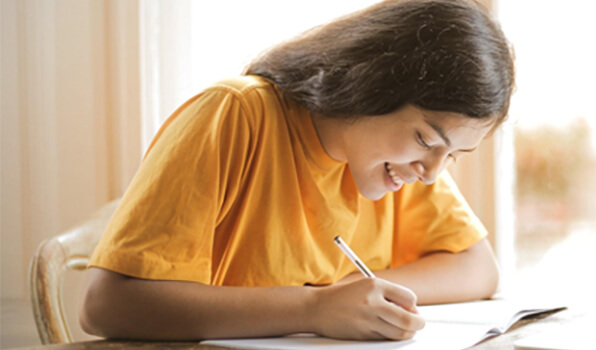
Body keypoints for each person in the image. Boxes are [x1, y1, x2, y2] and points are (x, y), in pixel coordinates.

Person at [79, 0, 514, 342]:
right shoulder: (235, 115)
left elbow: (478, 267)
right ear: (370, 85)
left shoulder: (397, 164)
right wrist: (314, 308)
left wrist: (354, 296)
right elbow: (105, 305)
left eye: (454, 154)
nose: (432, 174)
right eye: (426, 140)